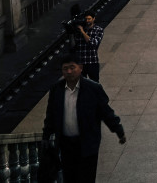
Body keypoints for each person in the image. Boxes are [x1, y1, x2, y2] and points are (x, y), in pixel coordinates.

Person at [42, 53, 126, 183]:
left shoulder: (93, 89)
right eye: (65, 69)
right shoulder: (56, 90)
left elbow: (106, 112)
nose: (69, 72)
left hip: (87, 143)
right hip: (65, 145)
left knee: (86, 177)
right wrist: (46, 136)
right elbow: (51, 116)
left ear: (80, 68)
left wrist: (118, 130)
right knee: (70, 177)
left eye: (72, 67)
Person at [74, 11, 103, 82]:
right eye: (86, 19)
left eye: (89, 19)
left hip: (92, 61)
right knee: (81, 84)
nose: (87, 21)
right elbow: (74, 45)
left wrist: (83, 32)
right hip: (81, 62)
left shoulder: (98, 30)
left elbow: (93, 43)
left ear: (93, 19)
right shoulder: (79, 30)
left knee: (95, 83)